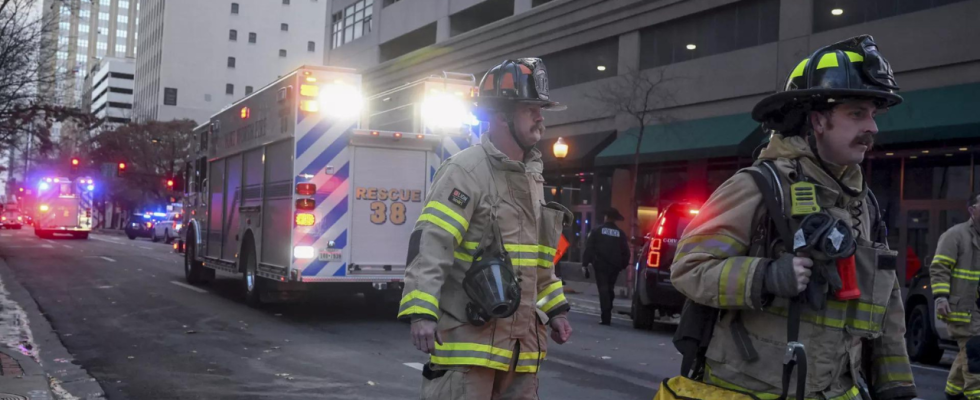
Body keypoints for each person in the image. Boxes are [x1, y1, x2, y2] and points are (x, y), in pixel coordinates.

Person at [669, 35, 918, 399]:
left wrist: (896, 388)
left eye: (873, 115)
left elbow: (885, 304)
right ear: (818, 120)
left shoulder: (862, 202)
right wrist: (766, 276)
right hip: (752, 388)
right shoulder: (759, 186)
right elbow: (688, 269)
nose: (872, 128)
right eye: (856, 114)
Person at [397, 58, 574, 400]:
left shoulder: (532, 177)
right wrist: (421, 312)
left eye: (542, 109)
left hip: (521, 351)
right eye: (530, 109)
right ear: (500, 115)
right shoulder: (465, 171)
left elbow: (537, 260)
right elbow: (432, 244)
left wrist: (556, 310)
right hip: (468, 349)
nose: (540, 117)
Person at [930, 193, 980, 400]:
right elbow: (939, 268)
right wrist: (941, 298)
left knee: (967, 354)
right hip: (963, 309)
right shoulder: (955, 235)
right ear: (972, 210)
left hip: (977, 308)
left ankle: (953, 392)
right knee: (975, 352)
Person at [583, 208, 631, 325]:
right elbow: (626, 252)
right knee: (610, 288)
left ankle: (606, 316)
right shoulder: (620, 234)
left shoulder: (597, 231)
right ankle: (608, 309)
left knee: (603, 289)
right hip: (614, 266)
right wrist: (622, 265)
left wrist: (585, 264)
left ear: (606, 217)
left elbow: (589, 248)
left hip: (600, 265)